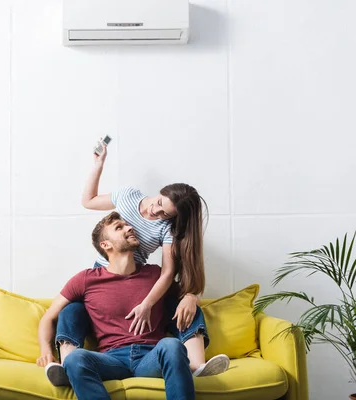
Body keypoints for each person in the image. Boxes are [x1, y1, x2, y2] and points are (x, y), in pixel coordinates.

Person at [38, 140, 229, 386]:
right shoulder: (128, 197)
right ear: (160, 192)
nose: (155, 213)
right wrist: (98, 165)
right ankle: (68, 366)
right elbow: (89, 200)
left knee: (183, 302)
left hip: (141, 282)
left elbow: (169, 273)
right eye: (159, 203)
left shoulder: (166, 229)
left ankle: (195, 365)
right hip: (105, 273)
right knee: (72, 310)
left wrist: (176, 298)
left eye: (165, 214)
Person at [37, 212, 195, 400]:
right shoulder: (86, 279)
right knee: (74, 359)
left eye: (127, 225)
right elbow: (49, 317)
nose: (129, 228)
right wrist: (46, 351)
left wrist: (191, 297)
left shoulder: (156, 274)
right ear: (106, 245)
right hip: (112, 359)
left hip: (151, 356)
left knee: (172, 345)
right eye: (119, 228)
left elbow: (187, 293)